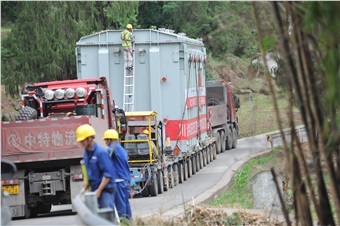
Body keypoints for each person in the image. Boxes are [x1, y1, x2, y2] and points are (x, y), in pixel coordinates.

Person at [76, 124, 116, 209]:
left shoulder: (101, 153)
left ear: (89, 138)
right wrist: (86, 182)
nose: (81, 143)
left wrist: (99, 190)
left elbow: (107, 174)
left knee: (106, 218)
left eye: (82, 141)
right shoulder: (86, 153)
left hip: (105, 191)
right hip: (94, 190)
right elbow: (87, 171)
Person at [103, 129, 132, 221]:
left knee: (120, 204)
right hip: (126, 180)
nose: (105, 142)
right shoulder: (121, 149)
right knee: (126, 202)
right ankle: (129, 222)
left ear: (109, 139)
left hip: (119, 180)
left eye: (106, 140)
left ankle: (122, 222)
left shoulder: (111, 149)